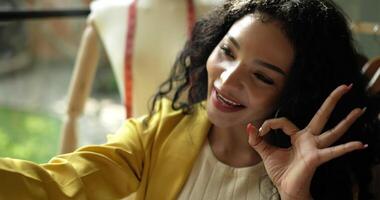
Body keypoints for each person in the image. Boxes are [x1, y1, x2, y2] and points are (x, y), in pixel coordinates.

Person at [0, 0, 379, 199]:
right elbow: (60, 185)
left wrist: (296, 196)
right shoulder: (158, 133)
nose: (227, 79)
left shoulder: (326, 172)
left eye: (262, 76)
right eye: (227, 52)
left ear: (298, 92)